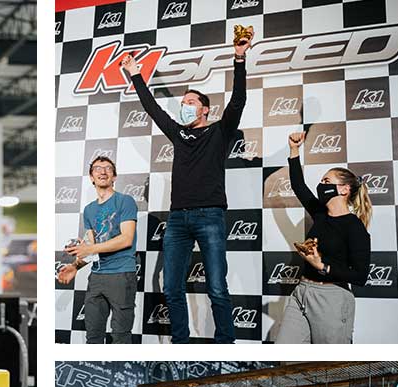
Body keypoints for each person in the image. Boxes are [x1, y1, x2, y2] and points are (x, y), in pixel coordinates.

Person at [120, 30, 253, 344]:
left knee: (217, 288)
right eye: (183, 103)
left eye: (191, 102)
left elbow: (238, 101)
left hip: (210, 216)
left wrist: (239, 58)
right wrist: (136, 74)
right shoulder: (179, 134)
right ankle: (180, 344)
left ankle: (225, 345)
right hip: (177, 219)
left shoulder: (220, 132)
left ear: (205, 109)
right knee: (171, 288)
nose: (186, 107)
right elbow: (153, 108)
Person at [275, 132, 372, 344]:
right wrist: (294, 150)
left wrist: (322, 266)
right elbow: (299, 186)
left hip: (332, 299)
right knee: (284, 355)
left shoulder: (354, 227)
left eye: (327, 181)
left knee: (328, 361)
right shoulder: (319, 213)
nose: (321, 185)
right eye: (321, 181)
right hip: (302, 292)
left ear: (344, 189)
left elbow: (360, 275)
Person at [57, 156, 138, 344]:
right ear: (91, 177)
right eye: (97, 168)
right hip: (97, 278)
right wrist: (75, 266)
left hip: (121, 275)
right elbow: (90, 247)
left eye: (108, 168)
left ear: (114, 176)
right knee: (93, 337)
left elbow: (126, 239)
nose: (102, 171)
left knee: (120, 338)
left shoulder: (125, 201)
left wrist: (90, 248)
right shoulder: (89, 210)